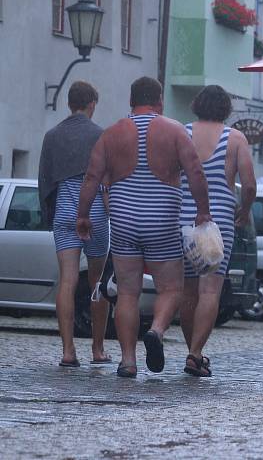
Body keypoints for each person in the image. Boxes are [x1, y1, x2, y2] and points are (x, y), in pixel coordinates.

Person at [77, 76, 211, 378]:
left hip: (123, 219)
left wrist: (82, 215)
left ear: (131, 101)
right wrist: (203, 211)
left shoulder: (111, 134)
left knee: (126, 293)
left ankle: (127, 361)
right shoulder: (174, 131)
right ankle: (157, 331)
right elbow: (195, 172)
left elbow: (91, 178)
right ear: (160, 100)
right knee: (172, 288)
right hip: (161, 219)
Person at [178, 85, 256, 377]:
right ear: (225, 108)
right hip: (217, 221)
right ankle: (195, 353)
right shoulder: (234, 138)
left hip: (183, 218)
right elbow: (248, 185)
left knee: (187, 291)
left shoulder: (182, 133)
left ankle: (193, 353)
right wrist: (245, 211)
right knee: (210, 290)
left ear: (197, 105)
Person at [38, 81, 111, 367]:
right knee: (97, 282)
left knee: (67, 280)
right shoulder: (101, 135)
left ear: (70, 104)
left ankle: (68, 352)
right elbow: (107, 181)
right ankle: (98, 349)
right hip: (94, 215)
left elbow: (44, 181)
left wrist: (50, 215)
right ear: (92, 104)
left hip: (65, 214)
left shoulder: (52, 136)